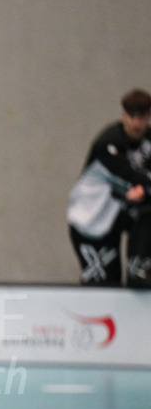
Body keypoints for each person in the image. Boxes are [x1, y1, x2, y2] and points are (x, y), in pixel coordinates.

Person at [67, 88, 151, 287]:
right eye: (131, 116)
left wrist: (143, 188)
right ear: (123, 115)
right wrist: (143, 185)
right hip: (91, 221)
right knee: (105, 284)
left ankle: (138, 266)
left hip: (119, 212)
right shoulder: (108, 143)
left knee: (148, 212)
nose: (136, 124)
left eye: (142, 117)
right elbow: (130, 175)